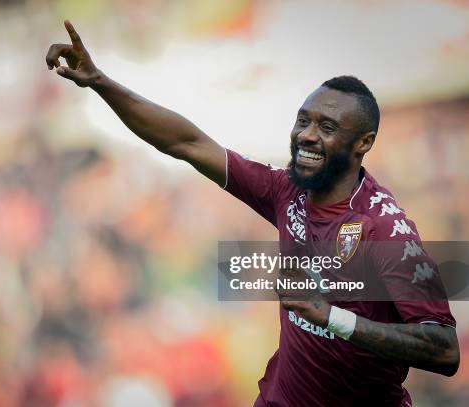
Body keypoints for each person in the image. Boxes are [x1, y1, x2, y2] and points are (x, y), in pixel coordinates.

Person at [45, 20, 459, 406]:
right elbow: (185, 142)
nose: (307, 136)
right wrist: (100, 83)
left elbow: (444, 349)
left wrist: (331, 317)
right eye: (303, 121)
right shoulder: (286, 190)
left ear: (363, 142)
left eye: (327, 127)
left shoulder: (386, 228)